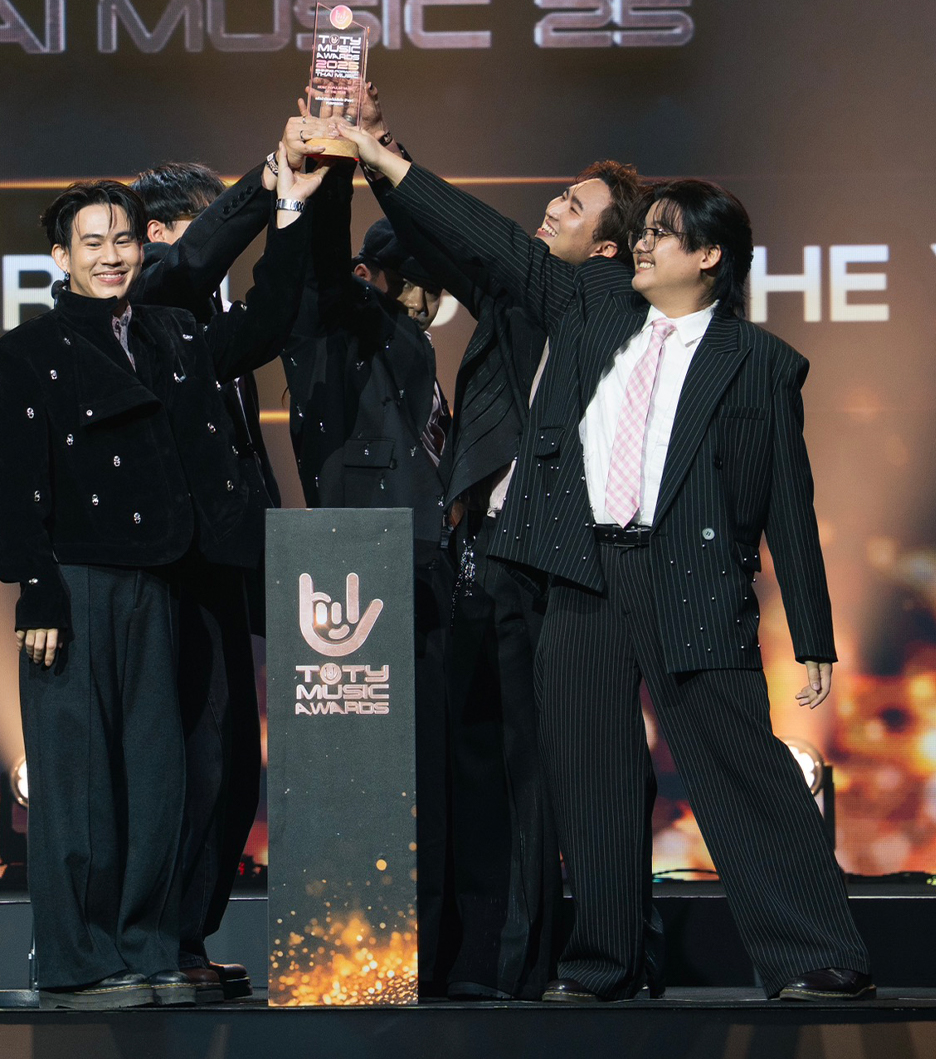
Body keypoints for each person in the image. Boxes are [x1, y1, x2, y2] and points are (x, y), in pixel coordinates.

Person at [337, 126, 873, 1004]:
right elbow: (493, 241)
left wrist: (812, 631)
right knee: (590, 780)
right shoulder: (593, 306)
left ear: (709, 257)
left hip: (689, 583)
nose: (644, 245)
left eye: (663, 234)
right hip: (585, 573)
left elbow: (787, 499)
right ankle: (605, 963)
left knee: (742, 769)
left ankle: (813, 952)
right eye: (644, 229)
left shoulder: (758, 363)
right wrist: (381, 157)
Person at [365, 131, 645, 1000]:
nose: (553, 206)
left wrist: (384, 155)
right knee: (494, 760)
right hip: (493, 555)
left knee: (565, 768)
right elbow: (452, 236)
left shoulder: (603, 308)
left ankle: (579, 956)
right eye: (559, 192)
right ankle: (497, 961)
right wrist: (376, 158)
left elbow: (485, 240)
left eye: (575, 204)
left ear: (609, 249)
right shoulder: (522, 300)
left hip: (569, 563)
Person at [130, 154, 321, 1000]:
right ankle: (160, 943)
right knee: (192, 758)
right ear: (159, 234)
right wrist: (265, 180)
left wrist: (293, 210)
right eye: (211, 223)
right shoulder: (146, 304)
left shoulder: (211, 318)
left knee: (235, 762)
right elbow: (188, 263)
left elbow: (273, 310)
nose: (226, 241)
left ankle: (187, 938)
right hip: (175, 571)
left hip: (233, 563)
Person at [278, 110, 458, 993]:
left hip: (420, 566)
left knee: (426, 775)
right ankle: (356, 963)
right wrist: (350, 160)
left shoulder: (410, 339)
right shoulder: (340, 315)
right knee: (366, 780)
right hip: (360, 568)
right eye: (420, 285)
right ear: (378, 274)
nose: (431, 303)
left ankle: (427, 953)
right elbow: (322, 255)